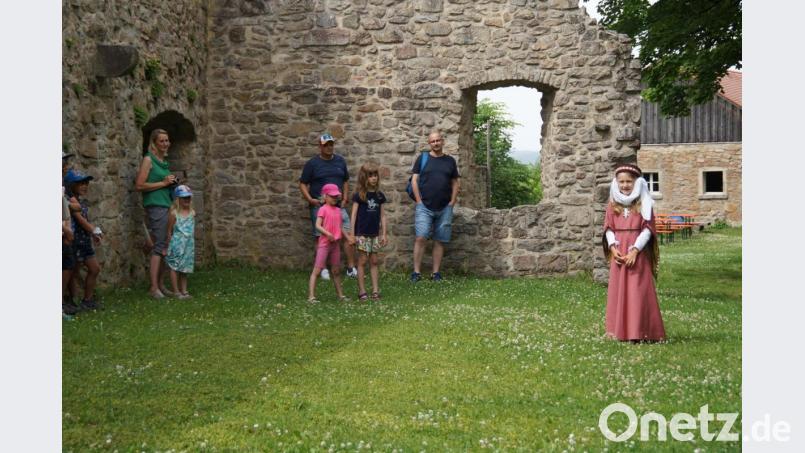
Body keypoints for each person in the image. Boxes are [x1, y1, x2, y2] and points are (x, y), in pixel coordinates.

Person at [602, 163, 666, 342]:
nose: (625, 185)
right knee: (619, 290)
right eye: (621, 182)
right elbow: (608, 228)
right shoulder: (612, 204)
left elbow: (647, 230)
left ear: (636, 183)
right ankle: (618, 330)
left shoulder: (644, 203)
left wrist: (635, 251)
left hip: (635, 252)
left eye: (629, 181)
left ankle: (640, 331)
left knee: (637, 291)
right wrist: (613, 248)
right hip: (619, 252)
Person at [299, 133, 357, 280]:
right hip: (319, 204)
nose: (329, 147)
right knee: (321, 237)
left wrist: (345, 197)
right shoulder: (312, 163)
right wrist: (310, 199)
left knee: (346, 233)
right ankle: (323, 268)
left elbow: (345, 181)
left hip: (338, 204)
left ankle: (351, 268)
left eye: (331, 144)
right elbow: (302, 184)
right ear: (320, 146)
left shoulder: (340, 161)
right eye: (326, 145)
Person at [410, 130, 460, 282]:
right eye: (433, 141)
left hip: (445, 207)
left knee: (439, 240)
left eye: (438, 140)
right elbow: (414, 180)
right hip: (424, 206)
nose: (436, 143)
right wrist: (418, 201)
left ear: (442, 141)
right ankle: (416, 272)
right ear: (429, 143)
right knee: (421, 237)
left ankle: (435, 273)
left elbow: (455, 182)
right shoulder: (423, 158)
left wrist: (452, 202)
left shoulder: (450, 161)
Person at [135, 128, 178, 299]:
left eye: (167, 140)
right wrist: (163, 182)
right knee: (159, 246)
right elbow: (139, 185)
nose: (165, 143)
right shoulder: (148, 160)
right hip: (156, 206)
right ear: (154, 142)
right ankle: (153, 287)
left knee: (165, 245)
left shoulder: (163, 162)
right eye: (162, 141)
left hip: (167, 206)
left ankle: (160, 284)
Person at [65, 170, 103, 311]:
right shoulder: (70, 201)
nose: (85, 186)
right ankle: (71, 301)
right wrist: (94, 230)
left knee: (94, 269)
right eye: (80, 183)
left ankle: (87, 300)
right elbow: (81, 220)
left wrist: (92, 233)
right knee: (72, 272)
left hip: (84, 240)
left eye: (86, 183)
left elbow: (85, 219)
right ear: (71, 185)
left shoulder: (80, 201)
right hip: (75, 241)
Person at [307, 184, 352, 303]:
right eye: (332, 196)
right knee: (316, 271)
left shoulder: (338, 210)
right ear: (325, 196)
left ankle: (341, 295)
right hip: (324, 244)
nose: (334, 198)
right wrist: (327, 234)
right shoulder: (322, 209)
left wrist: (348, 237)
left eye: (336, 196)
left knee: (336, 271)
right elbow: (317, 225)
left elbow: (340, 227)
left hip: (335, 245)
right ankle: (311, 296)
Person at [350, 163, 388, 301]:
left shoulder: (379, 196)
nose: (374, 178)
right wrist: (352, 234)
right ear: (364, 178)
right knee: (362, 260)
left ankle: (376, 291)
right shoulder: (359, 196)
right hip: (362, 233)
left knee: (374, 260)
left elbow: (383, 215)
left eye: (375, 175)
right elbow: (353, 215)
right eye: (370, 176)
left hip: (374, 234)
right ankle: (362, 291)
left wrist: (384, 233)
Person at [166, 185, 196, 300]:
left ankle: (184, 290)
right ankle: (176, 291)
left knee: (185, 268)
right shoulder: (174, 214)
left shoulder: (192, 213)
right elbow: (169, 231)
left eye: (188, 198)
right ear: (178, 199)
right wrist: (169, 245)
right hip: (177, 244)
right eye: (184, 198)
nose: (187, 200)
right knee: (175, 267)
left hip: (188, 245)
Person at [62, 152, 78, 318]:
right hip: (63, 230)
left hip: (65, 230)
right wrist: (65, 229)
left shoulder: (62, 183)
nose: (65, 165)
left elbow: (73, 207)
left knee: (67, 265)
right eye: (63, 163)